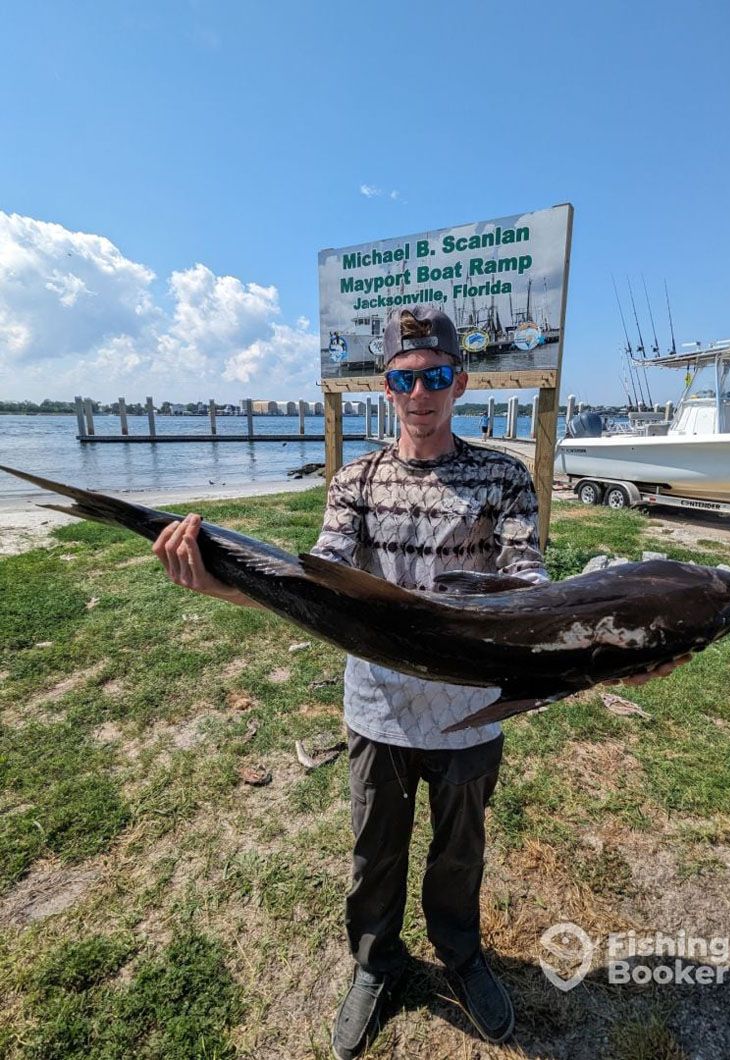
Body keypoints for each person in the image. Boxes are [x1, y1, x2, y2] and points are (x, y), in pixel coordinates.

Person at [151, 306, 687, 1058]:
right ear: (386, 387)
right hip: (376, 709)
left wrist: (620, 649)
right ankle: (376, 963)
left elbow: (531, 593)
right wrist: (219, 584)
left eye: (435, 376)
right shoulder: (356, 480)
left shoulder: (502, 477)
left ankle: (460, 956)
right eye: (405, 379)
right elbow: (319, 587)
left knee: (458, 850)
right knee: (374, 852)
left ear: (459, 381)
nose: (420, 392)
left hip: (471, 710)